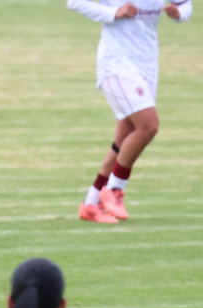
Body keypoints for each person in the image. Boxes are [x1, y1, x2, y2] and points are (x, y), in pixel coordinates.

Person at [71, 0, 193, 223]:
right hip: (116, 65)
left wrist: (179, 13)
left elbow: (186, 5)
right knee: (148, 126)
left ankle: (91, 203)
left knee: (124, 137)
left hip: (147, 66)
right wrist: (114, 12)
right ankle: (114, 189)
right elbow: (75, 2)